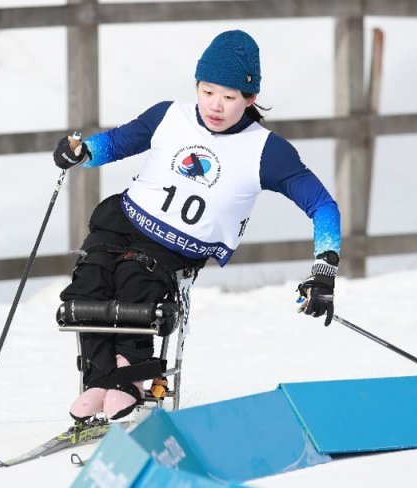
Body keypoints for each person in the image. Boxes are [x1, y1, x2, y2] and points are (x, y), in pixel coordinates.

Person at [53, 30, 342, 422]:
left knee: (135, 282)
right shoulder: (169, 115)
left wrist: (324, 270)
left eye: (229, 97)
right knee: (91, 282)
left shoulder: (266, 150)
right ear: (197, 86)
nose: (215, 106)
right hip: (123, 219)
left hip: (170, 250)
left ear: (250, 98)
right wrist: (81, 152)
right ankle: (98, 379)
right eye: (207, 92)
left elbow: (322, 204)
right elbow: (118, 142)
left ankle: (128, 378)